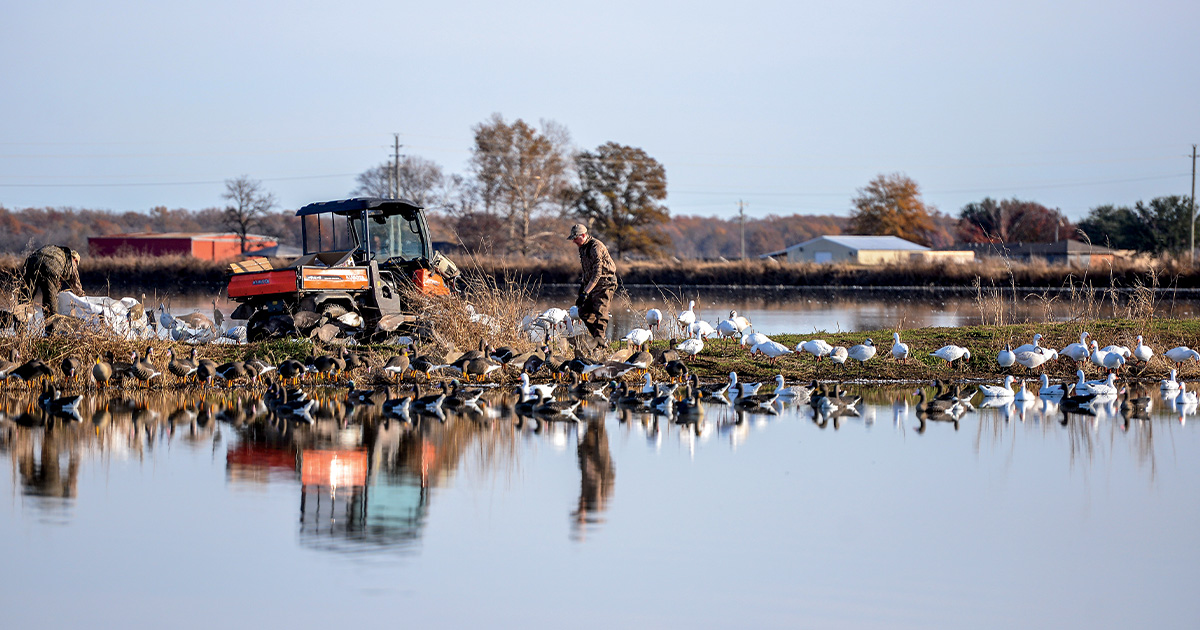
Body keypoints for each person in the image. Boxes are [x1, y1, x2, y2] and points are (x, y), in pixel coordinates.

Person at [569, 223, 617, 341]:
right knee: (583, 311)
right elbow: (587, 270)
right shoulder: (582, 247)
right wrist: (582, 287)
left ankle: (599, 343)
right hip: (591, 283)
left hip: (605, 283)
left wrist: (585, 292)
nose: (574, 241)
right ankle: (598, 339)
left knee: (601, 314)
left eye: (576, 238)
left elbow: (597, 273)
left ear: (584, 235)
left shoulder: (596, 247)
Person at [20, 245, 84, 322]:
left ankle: (19, 330)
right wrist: (83, 299)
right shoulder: (72, 261)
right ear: (75, 260)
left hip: (31, 262)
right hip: (49, 267)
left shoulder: (56, 252)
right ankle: (50, 332)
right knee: (50, 305)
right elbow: (76, 285)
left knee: (24, 300)